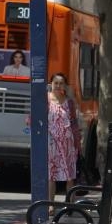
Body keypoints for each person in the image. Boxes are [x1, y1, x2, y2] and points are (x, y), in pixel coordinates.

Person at [46, 73, 80, 204]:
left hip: (68, 144)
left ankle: (70, 204)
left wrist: (78, 143)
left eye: (61, 83)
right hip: (52, 143)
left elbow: (75, 122)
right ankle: (50, 204)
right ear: (51, 84)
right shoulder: (46, 100)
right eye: (56, 83)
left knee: (70, 176)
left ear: (65, 85)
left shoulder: (69, 102)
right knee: (51, 176)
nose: (58, 86)